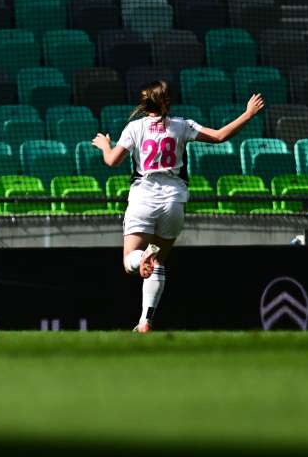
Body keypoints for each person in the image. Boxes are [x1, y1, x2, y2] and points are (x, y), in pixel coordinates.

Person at [92, 81, 265, 332]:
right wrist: (248, 114)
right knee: (159, 262)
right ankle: (145, 321)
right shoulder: (183, 125)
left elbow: (111, 161)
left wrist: (104, 145)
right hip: (174, 200)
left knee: (130, 259)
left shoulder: (134, 128)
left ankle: (141, 258)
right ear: (166, 102)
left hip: (143, 197)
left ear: (145, 104)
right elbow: (219, 136)